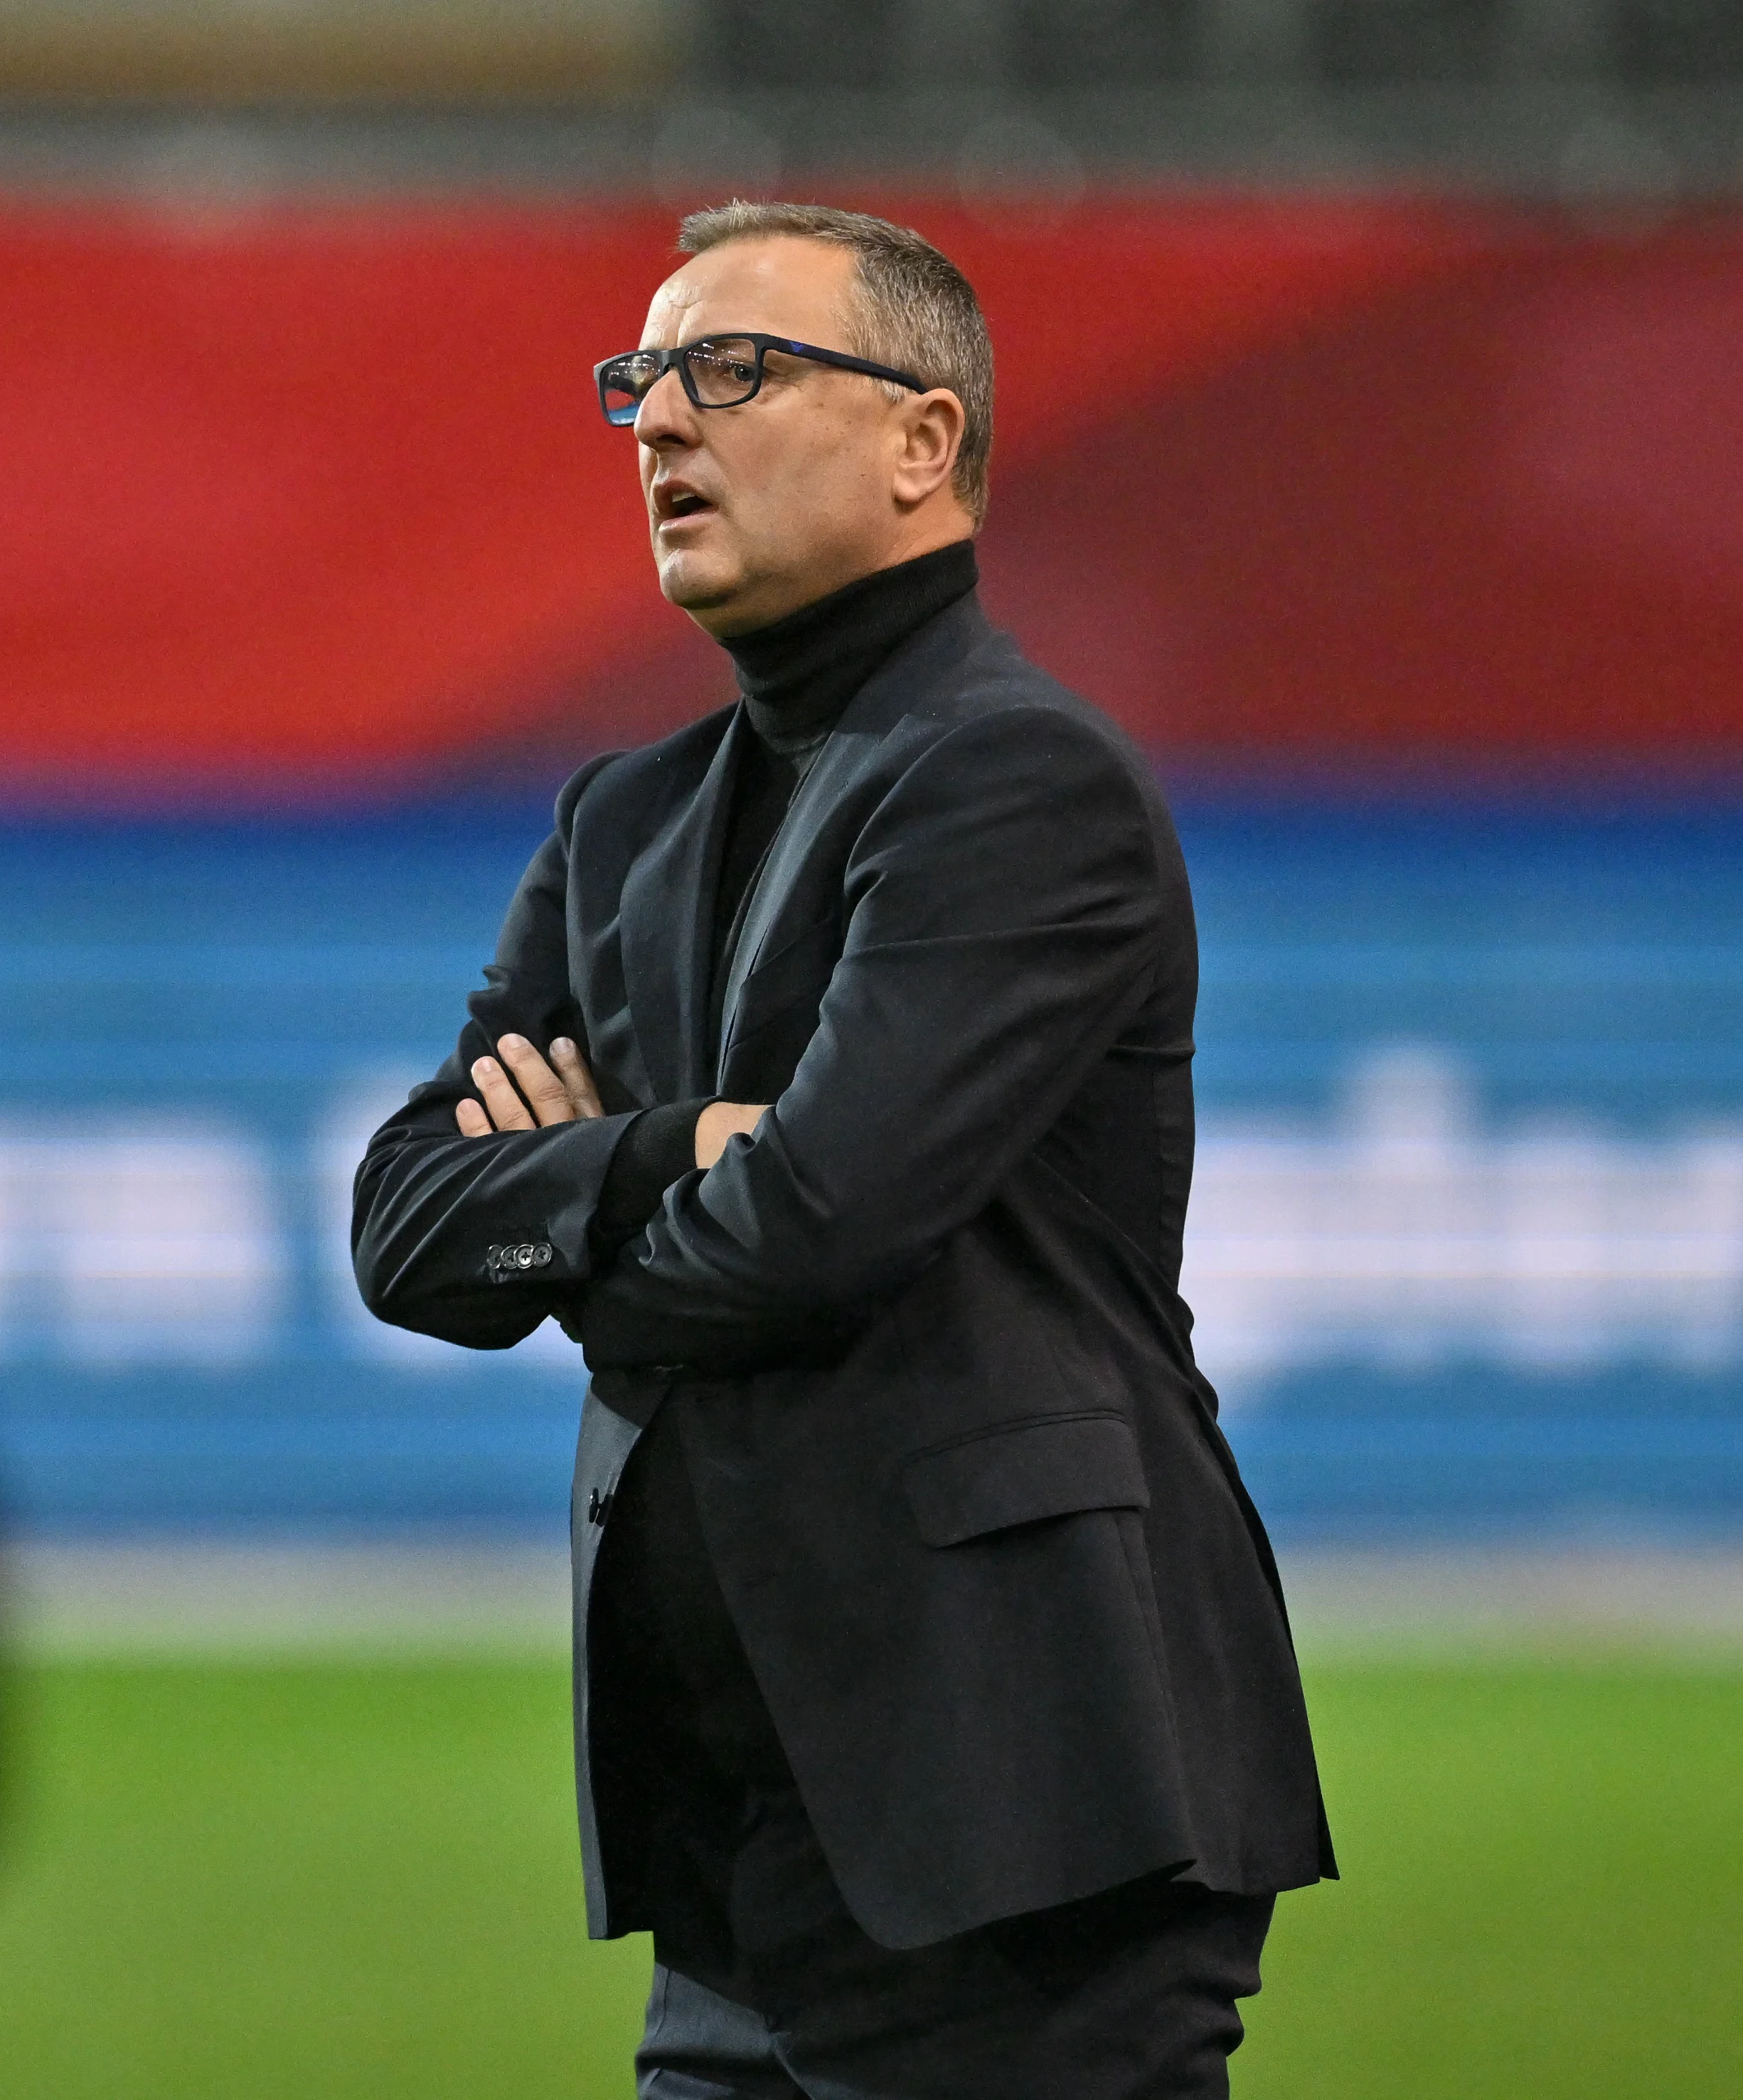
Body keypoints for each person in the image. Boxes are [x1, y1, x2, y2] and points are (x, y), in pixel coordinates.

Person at [353, 203, 1332, 2097]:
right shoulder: (623, 814)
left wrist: (577, 1210)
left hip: (1012, 1817)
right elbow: (405, 1227)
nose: (657, 421)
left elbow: (810, 1226)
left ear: (922, 442)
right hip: (739, 1851)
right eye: (641, 379)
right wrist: (660, 1159)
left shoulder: (1015, 778)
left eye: (734, 368)